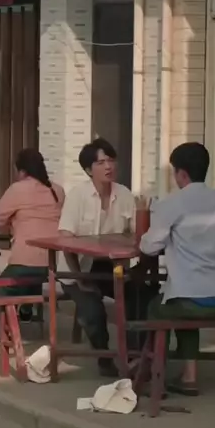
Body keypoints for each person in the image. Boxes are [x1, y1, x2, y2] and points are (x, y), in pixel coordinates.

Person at [140, 142, 215, 397]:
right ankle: (189, 376)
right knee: (181, 301)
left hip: (192, 300)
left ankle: (154, 376)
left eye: (174, 172)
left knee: (158, 307)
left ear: (182, 174)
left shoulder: (173, 203)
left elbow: (148, 247)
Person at [58, 137, 157, 378]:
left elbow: (138, 233)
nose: (108, 167)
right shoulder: (77, 195)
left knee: (141, 295)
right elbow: (65, 240)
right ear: (88, 169)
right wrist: (79, 278)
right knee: (93, 309)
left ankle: (136, 356)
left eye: (111, 160)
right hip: (77, 267)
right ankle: (104, 357)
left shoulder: (124, 194)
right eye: (101, 162)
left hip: (111, 266)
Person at [0, 148, 64, 343]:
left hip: (25, 260)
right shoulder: (57, 190)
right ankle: (27, 309)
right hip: (53, 263)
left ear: (21, 171)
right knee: (32, 275)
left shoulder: (18, 189)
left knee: (5, 287)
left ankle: (6, 330)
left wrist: (13, 221)